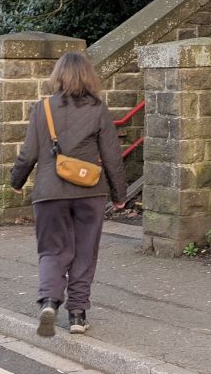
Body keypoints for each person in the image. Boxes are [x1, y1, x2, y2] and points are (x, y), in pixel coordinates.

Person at [7, 50, 127, 337]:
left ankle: (49, 301)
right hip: (90, 193)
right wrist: (119, 194)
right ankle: (77, 314)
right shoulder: (98, 109)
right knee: (85, 252)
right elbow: (112, 156)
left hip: (50, 192)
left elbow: (28, 153)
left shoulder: (42, 108)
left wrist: (16, 180)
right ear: (89, 76)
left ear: (58, 76)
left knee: (52, 250)